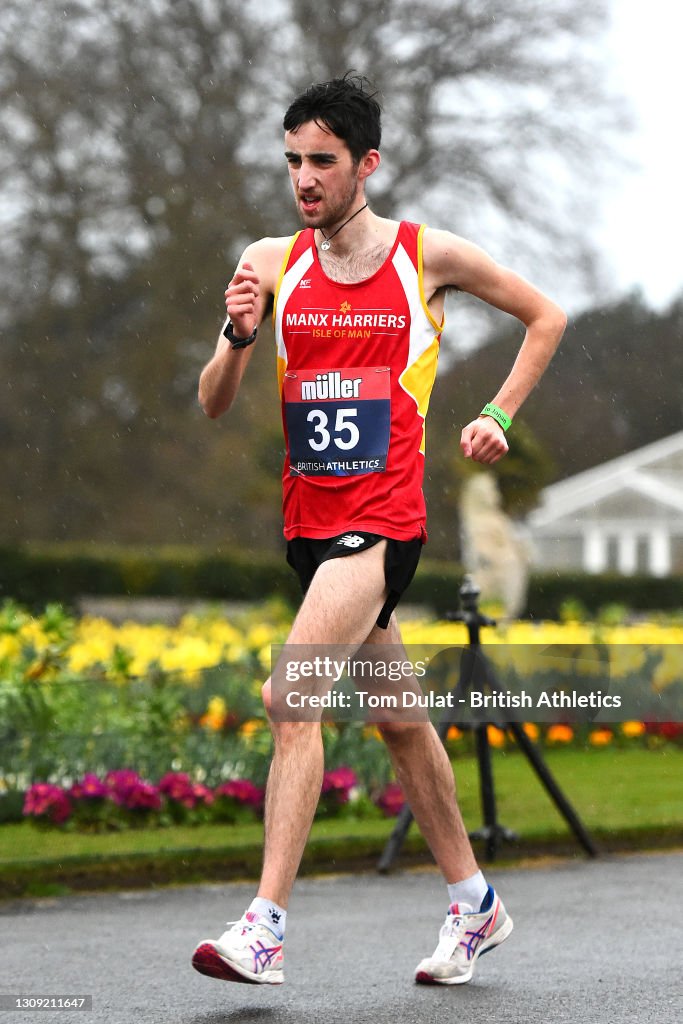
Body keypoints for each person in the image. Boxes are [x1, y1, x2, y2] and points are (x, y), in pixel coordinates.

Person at [191, 73, 566, 988]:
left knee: (292, 699)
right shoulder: (272, 262)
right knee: (400, 721)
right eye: (292, 162)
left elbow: (544, 315)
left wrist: (500, 416)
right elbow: (211, 403)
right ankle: (476, 905)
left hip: (383, 523)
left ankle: (265, 929)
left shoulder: (423, 255)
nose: (303, 180)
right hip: (309, 529)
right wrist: (238, 337)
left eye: (322, 161)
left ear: (367, 163)